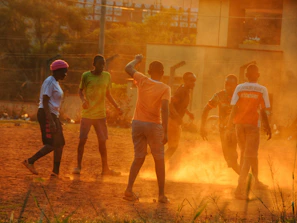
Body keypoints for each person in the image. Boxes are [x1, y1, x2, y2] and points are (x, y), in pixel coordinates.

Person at [123, 54, 171, 203]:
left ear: (149, 72)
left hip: (137, 123)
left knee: (138, 157)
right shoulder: (165, 88)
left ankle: (129, 190)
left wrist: (137, 60)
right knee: (159, 159)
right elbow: (164, 109)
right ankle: (161, 195)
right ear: (163, 73)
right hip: (153, 125)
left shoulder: (142, 79)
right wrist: (166, 130)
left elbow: (127, 68)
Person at [226, 64, 271, 200]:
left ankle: (256, 181)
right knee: (248, 155)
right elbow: (263, 110)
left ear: (246, 75)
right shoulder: (262, 89)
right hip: (252, 126)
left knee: (250, 154)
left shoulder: (239, 88)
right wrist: (267, 126)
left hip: (239, 125)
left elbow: (234, 108)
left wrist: (229, 126)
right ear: (258, 75)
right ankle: (239, 189)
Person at [72, 55, 122, 176]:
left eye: (103, 64)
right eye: (100, 64)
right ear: (94, 64)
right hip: (88, 114)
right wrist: (83, 100)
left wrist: (117, 106)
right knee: (82, 140)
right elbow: (80, 91)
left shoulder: (106, 76)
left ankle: (105, 169)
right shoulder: (86, 76)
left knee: (102, 142)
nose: (102, 66)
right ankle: (78, 166)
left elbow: (108, 94)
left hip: (100, 115)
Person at [22, 59, 69, 176]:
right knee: (52, 143)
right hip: (46, 114)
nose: (65, 74)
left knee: (60, 143)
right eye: (64, 71)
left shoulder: (55, 82)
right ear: (57, 71)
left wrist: (56, 119)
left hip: (53, 115)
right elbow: (45, 100)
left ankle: (55, 172)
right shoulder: (50, 82)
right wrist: (51, 121)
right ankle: (30, 161)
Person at [200, 74, 240, 174]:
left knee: (233, 158)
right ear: (225, 84)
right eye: (227, 84)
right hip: (224, 131)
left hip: (237, 130)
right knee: (230, 160)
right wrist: (202, 127)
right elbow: (205, 110)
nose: (229, 87)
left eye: (232, 85)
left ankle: (249, 179)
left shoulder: (240, 96)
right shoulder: (219, 96)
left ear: (237, 85)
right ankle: (249, 178)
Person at [165, 72, 196, 161]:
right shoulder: (182, 91)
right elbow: (170, 103)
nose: (193, 83)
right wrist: (177, 116)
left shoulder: (186, 90)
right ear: (185, 81)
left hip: (174, 121)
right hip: (172, 121)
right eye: (191, 81)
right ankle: (161, 164)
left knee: (172, 146)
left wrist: (188, 113)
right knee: (172, 146)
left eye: (194, 81)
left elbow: (180, 105)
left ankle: (161, 163)